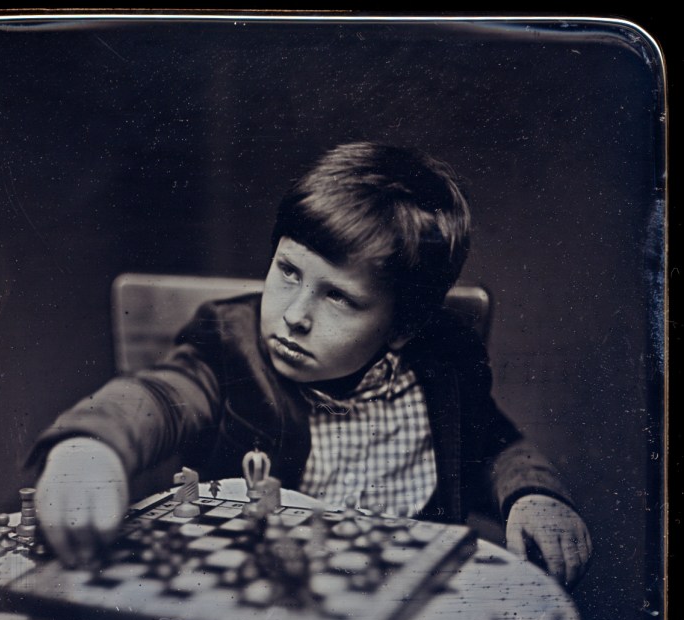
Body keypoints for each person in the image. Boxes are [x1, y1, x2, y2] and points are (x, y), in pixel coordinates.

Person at [30, 141, 592, 584]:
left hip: (411, 594)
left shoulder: (444, 358)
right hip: (266, 589)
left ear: (403, 327)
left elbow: (493, 443)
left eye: (339, 298)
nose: (294, 315)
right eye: (289, 272)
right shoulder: (230, 345)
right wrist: (91, 446)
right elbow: (162, 396)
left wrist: (531, 493)